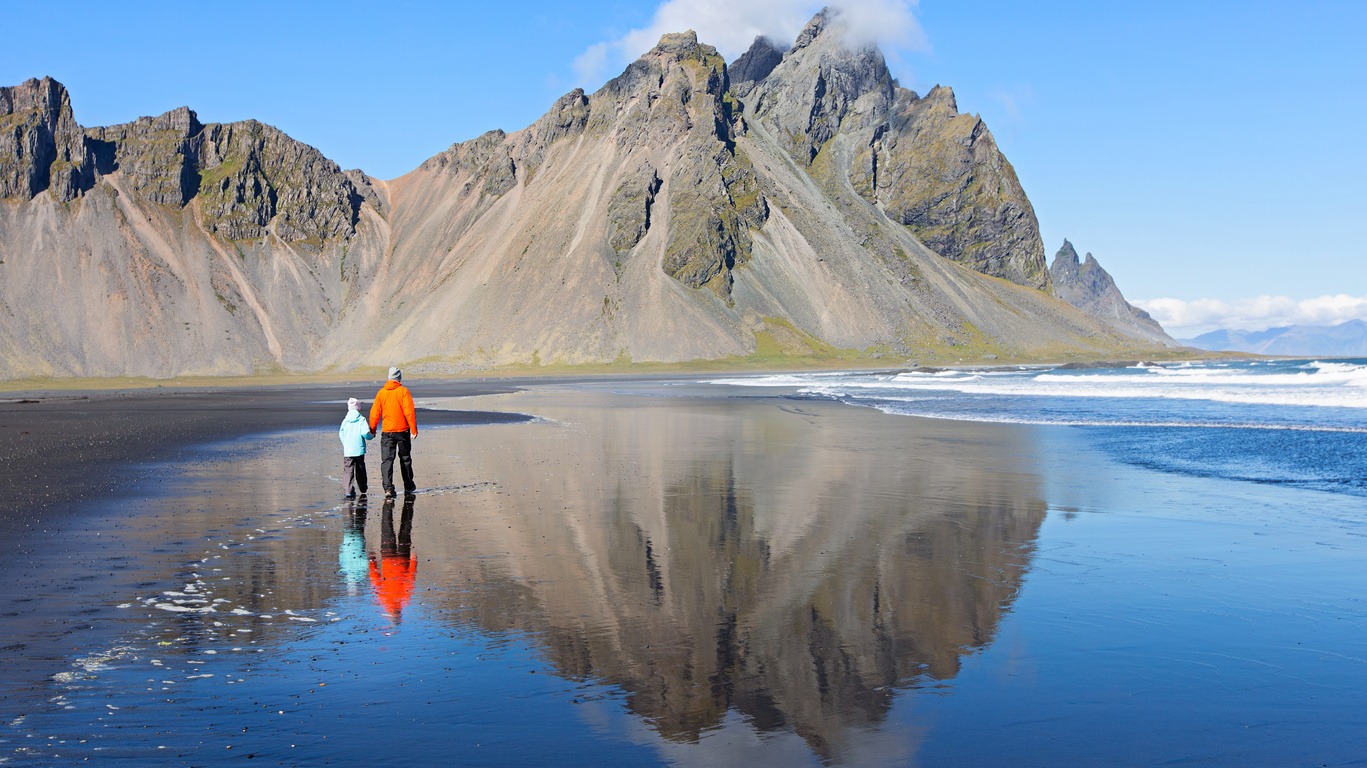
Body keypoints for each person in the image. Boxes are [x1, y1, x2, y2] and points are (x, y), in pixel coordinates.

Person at [369, 366, 418, 498]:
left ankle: (388, 488)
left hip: (387, 432)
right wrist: (413, 429)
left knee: (387, 460)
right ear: (399, 378)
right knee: (405, 459)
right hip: (402, 431)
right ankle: (408, 485)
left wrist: (372, 430)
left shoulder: (381, 393)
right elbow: (409, 412)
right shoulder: (403, 392)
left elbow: (374, 413)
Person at [338, 397, 373, 499]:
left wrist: (346, 444)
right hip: (359, 449)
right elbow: (365, 433)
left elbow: (341, 434)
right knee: (360, 469)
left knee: (348, 470)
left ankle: (348, 490)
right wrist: (371, 436)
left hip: (348, 450)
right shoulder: (361, 419)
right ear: (358, 407)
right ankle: (363, 488)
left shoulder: (345, 420)